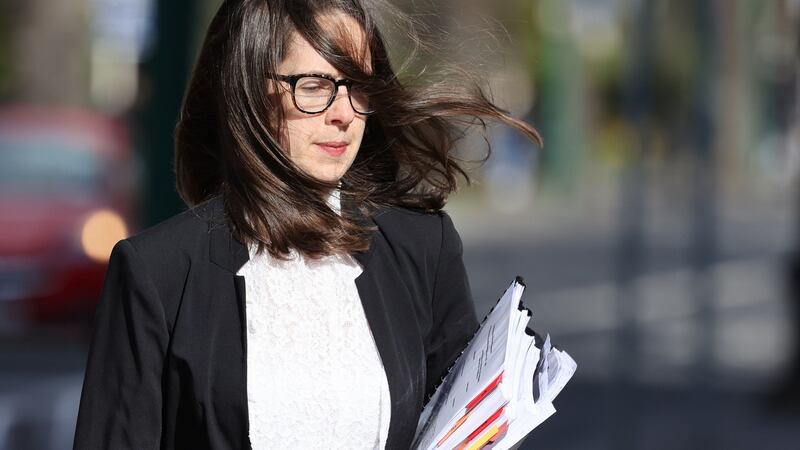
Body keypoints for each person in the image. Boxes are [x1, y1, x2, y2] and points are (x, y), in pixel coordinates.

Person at [73, 0, 540, 449]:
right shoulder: (158, 271)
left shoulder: (421, 247)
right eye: (315, 86)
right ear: (249, 90)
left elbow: (469, 426)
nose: (344, 113)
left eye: (358, 86)